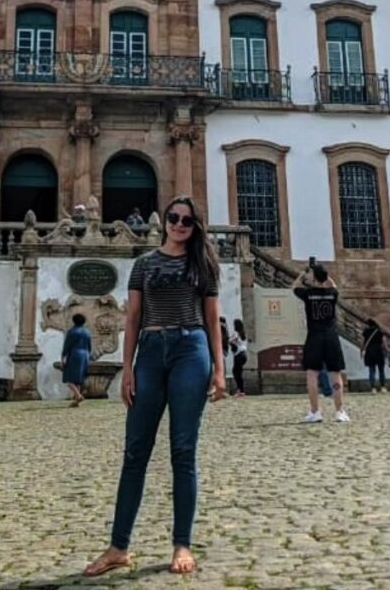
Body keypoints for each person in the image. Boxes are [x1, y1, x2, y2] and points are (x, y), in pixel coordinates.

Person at [84, 196, 225, 578]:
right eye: (173, 217)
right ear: (164, 220)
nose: (179, 224)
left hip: (190, 350)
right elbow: (132, 318)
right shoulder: (144, 264)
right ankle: (118, 547)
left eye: (187, 221)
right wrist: (127, 369)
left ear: (195, 227)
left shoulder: (202, 265)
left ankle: (182, 543)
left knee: (183, 450)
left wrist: (219, 370)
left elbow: (213, 319)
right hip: (149, 352)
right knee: (135, 452)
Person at [293, 262, 349, 423]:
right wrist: (323, 276)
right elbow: (333, 285)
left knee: (312, 374)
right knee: (335, 374)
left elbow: (294, 287)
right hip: (331, 336)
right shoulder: (332, 293)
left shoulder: (308, 294)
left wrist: (302, 275)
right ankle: (340, 411)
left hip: (314, 336)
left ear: (314, 277)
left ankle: (315, 411)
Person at [60, 313, 92, 407]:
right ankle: (76, 401)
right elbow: (89, 346)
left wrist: (63, 357)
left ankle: (78, 395)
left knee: (69, 378)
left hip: (75, 354)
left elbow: (67, 346)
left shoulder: (72, 332)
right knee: (78, 379)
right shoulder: (87, 332)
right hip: (85, 355)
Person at [361, 318, 387, 393]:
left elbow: (362, 342)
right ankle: (383, 387)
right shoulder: (380, 331)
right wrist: (386, 351)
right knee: (381, 370)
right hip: (379, 351)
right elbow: (384, 343)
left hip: (369, 352)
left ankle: (373, 388)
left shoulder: (365, 332)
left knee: (371, 370)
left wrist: (361, 351)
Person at [230, 319, 248, 398]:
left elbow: (231, 340)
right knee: (238, 373)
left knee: (235, 372)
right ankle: (241, 390)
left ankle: (240, 390)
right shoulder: (243, 334)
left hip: (238, 354)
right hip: (244, 354)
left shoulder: (236, 333)